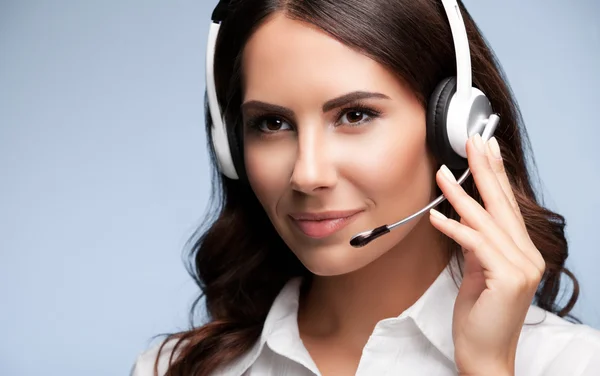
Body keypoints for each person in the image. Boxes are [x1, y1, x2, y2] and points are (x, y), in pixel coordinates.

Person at [131, 0, 600, 375]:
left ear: (457, 127)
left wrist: (489, 370)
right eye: (271, 123)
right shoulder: (171, 370)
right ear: (231, 146)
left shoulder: (571, 365)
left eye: (355, 115)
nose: (307, 174)